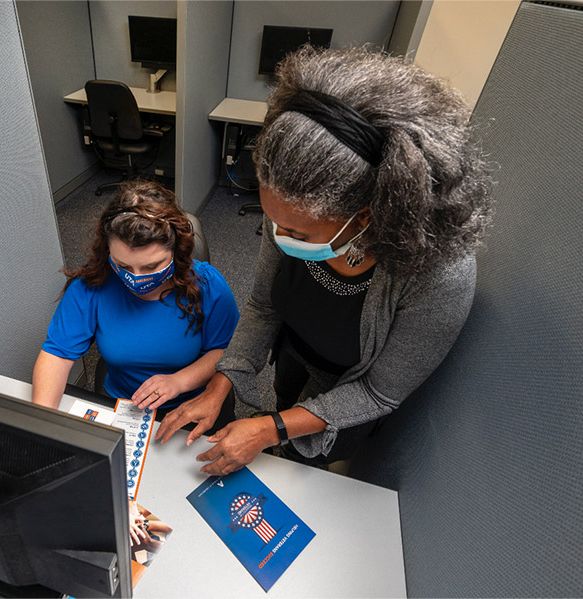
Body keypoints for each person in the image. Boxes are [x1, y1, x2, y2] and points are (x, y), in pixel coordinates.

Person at [155, 47, 493, 475]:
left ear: (368, 216)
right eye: (271, 221)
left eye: (297, 233)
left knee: (303, 468)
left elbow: (378, 393)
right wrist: (221, 385)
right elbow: (263, 306)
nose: (278, 236)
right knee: (285, 400)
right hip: (296, 351)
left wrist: (269, 430)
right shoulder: (291, 211)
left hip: (350, 385)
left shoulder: (438, 272)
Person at [31, 180, 240, 423]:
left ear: (177, 251)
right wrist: (41, 421)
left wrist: (179, 381)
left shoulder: (208, 285)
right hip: (125, 405)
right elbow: (57, 354)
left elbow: (226, 352)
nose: (136, 278)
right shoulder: (92, 285)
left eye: (152, 266)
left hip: (192, 402)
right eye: (123, 266)